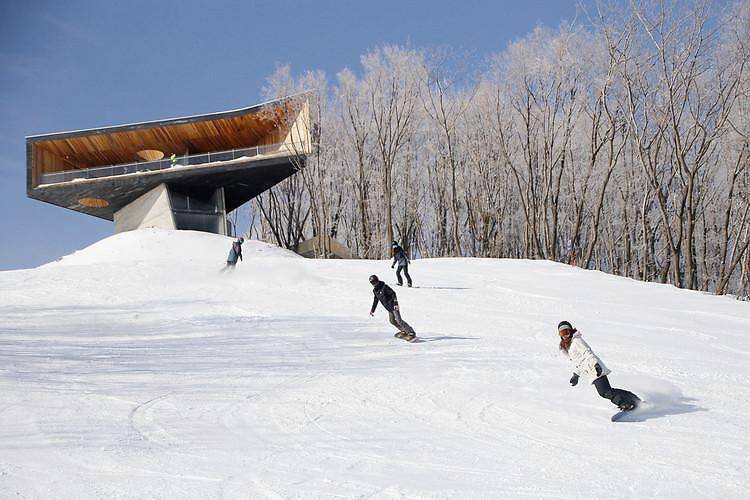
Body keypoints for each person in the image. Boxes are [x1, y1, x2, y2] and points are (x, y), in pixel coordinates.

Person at [558, 320, 640, 411]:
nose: (565, 335)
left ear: (570, 331)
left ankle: (628, 403)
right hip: (590, 370)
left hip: (595, 368)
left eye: (566, 332)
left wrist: (596, 365)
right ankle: (631, 400)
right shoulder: (570, 346)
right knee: (606, 392)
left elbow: (588, 353)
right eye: (562, 333)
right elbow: (578, 362)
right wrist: (576, 375)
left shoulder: (576, 341)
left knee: (605, 392)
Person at [369, 274, 416, 340]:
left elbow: (393, 293)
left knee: (399, 320)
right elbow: (375, 300)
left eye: (375, 281)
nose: (375, 283)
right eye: (373, 283)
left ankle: (411, 332)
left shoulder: (384, 287)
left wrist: (396, 303)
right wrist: (372, 310)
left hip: (393, 306)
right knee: (392, 321)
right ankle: (403, 330)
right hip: (389, 308)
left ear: (378, 280)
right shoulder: (375, 291)